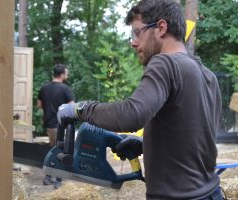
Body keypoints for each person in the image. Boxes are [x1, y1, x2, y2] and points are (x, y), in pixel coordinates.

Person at [57, 0, 223, 199]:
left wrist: (80, 109)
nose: (133, 42)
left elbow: (131, 115)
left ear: (161, 28)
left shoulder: (164, 62)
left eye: (137, 33)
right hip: (211, 193)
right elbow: (197, 138)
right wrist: (146, 144)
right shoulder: (207, 75)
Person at [38, 63, 74, 189]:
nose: (67, 75)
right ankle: (57, 180)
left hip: (49, 124)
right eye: (67, 73)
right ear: (62, 74)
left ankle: (49, 177)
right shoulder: (65, 89)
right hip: (61, 125)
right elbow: (72, 107)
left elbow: (39, 104)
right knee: (61, 152)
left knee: (53, 150)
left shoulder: (44, 88)